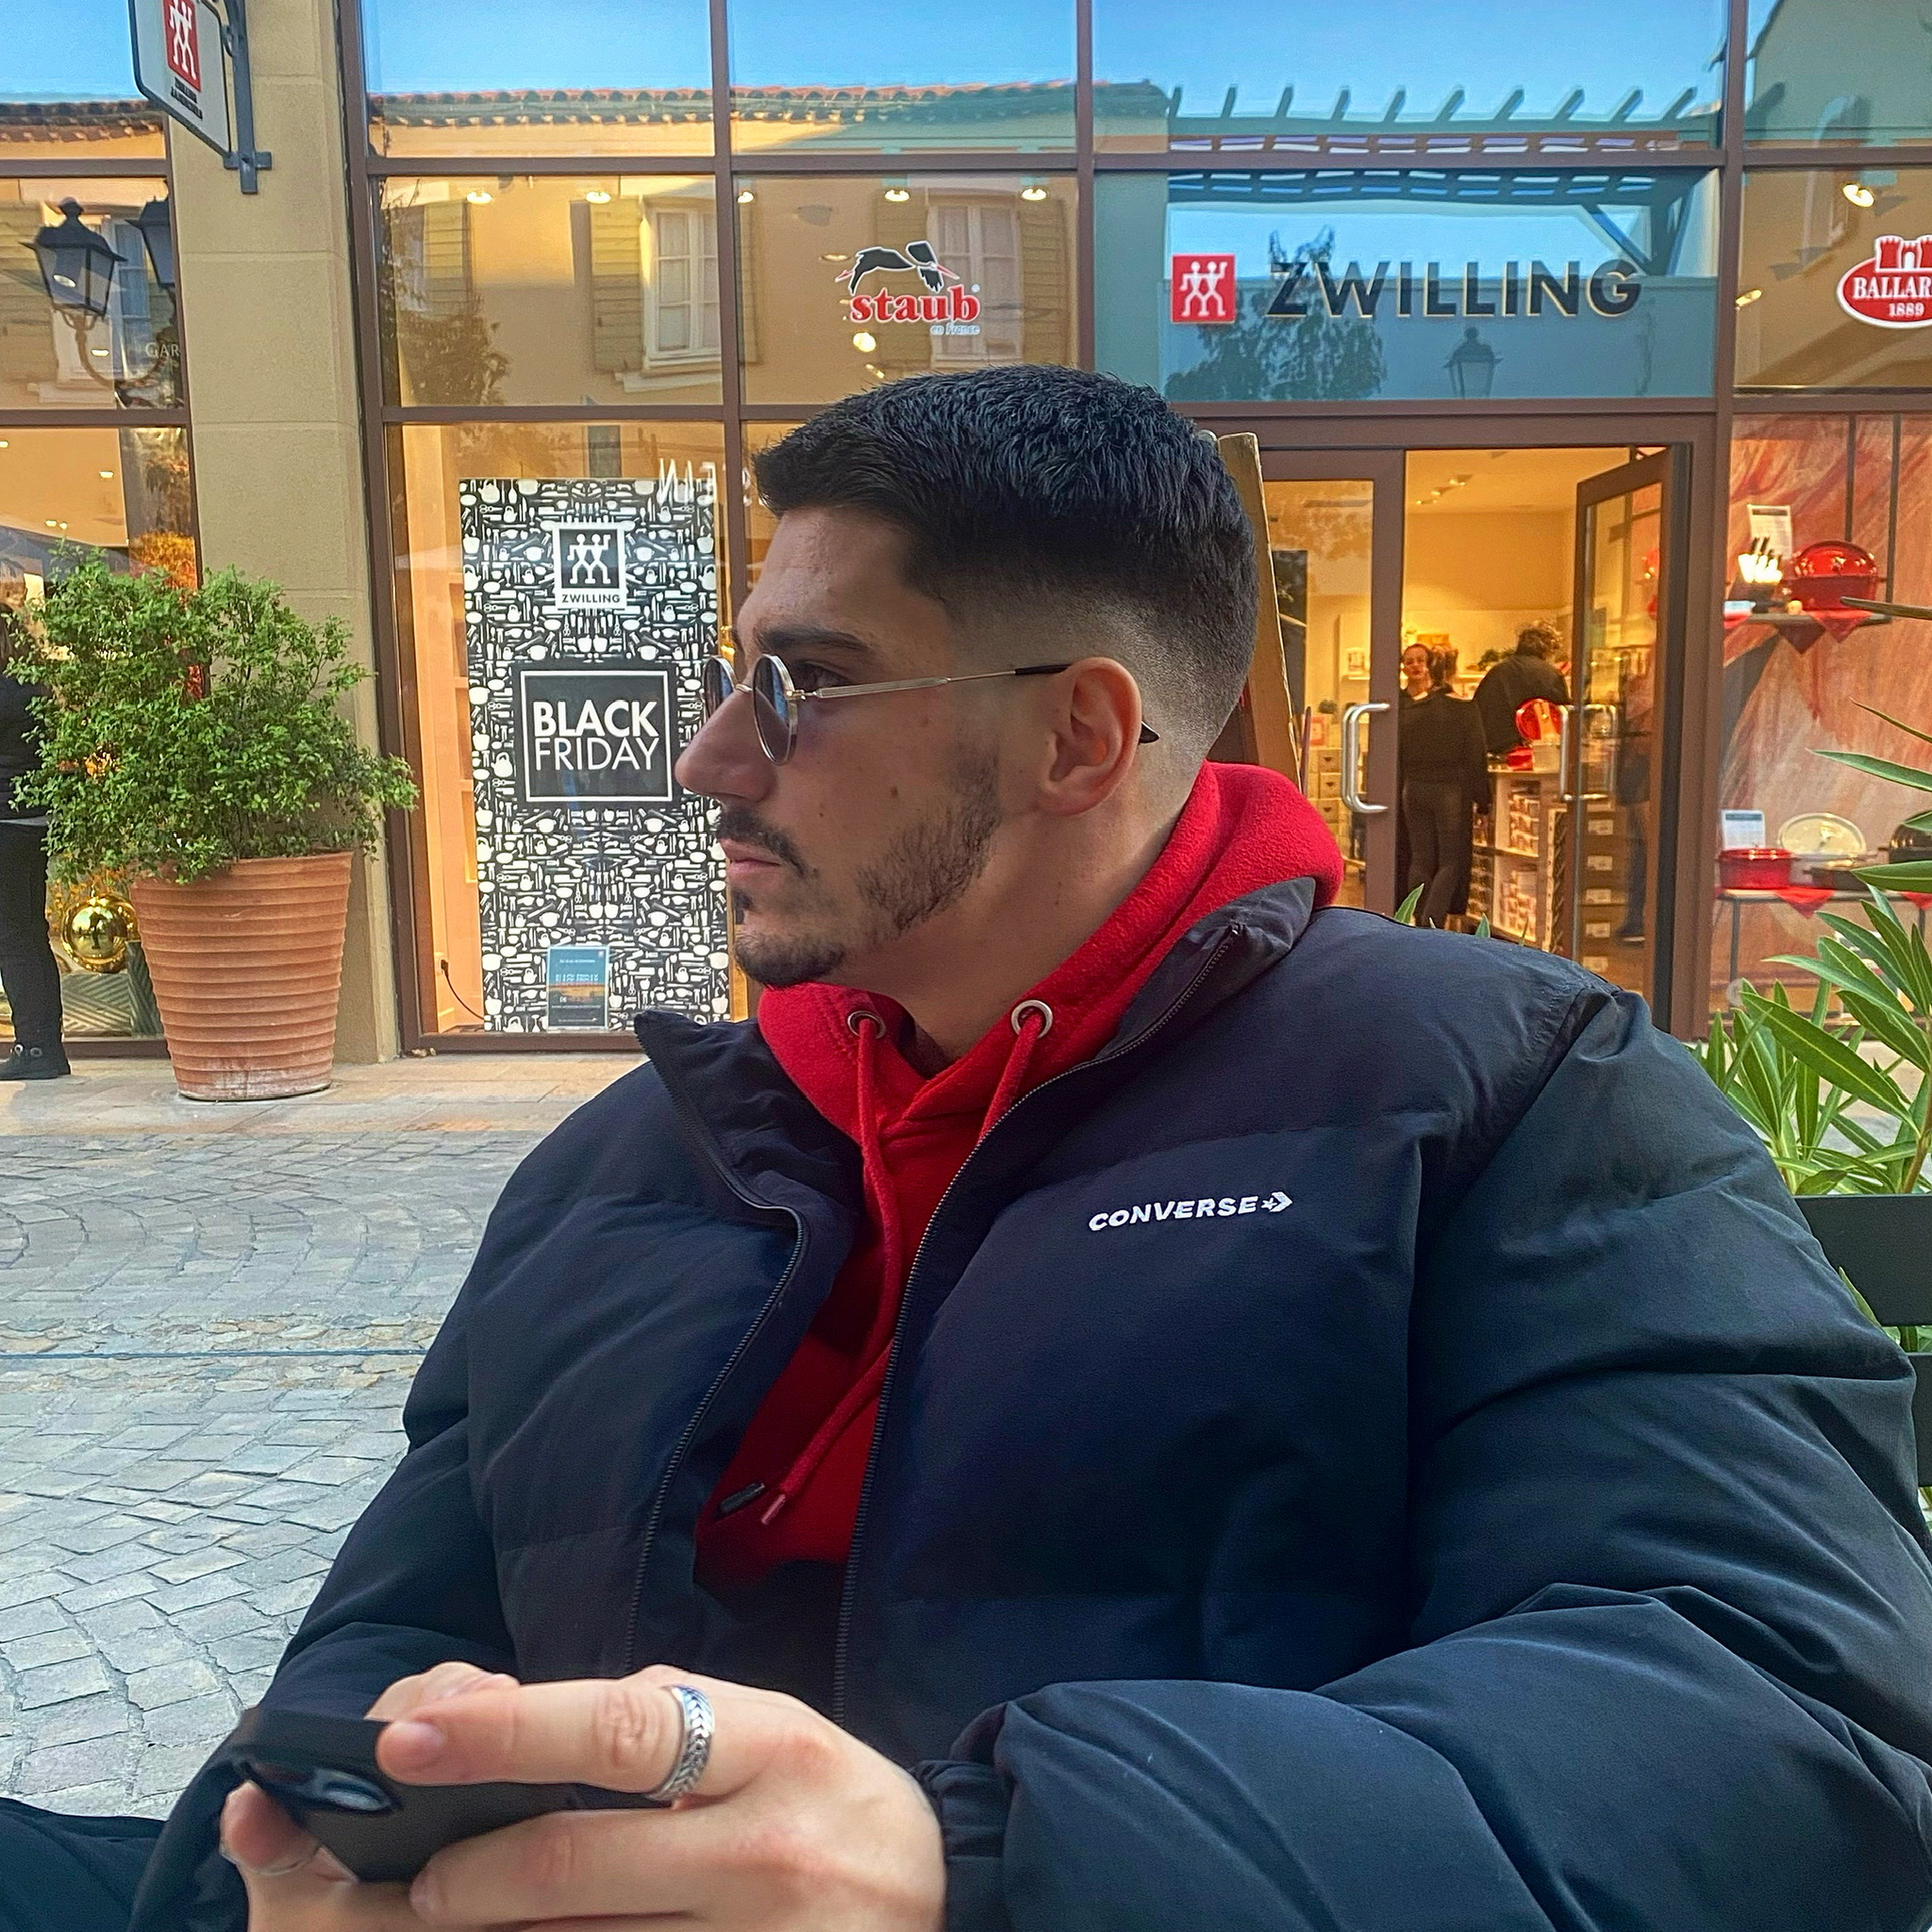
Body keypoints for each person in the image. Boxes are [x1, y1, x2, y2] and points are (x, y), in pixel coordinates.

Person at [8, 367, 1931, 1932]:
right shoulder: (636, 1156)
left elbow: (1783, 1720)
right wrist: (306, 1855)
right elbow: (383, 1650)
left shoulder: (1510, 1092)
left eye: (803, 682)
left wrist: (973, 1872)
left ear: (1076, 738)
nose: (707, 757)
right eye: (734, 672)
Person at [0, 575, 68, 1081]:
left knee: (15, 936)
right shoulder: (33, 684)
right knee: (26, 931)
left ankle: (37, 1048)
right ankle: (43, 1046)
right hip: (31, 819)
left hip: (4, 821)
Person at [1400, 647, 1490, 927]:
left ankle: (1416, 916)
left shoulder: (1410, 710)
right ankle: (1431, 921)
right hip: (1449, 790)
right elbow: (1476, 757)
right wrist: (1483, 801)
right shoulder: (1463, 709)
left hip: (1413, 787)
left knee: (1421, 858)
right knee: (1450, 861)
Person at [1473, 619, 1569, 756]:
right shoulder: (1551, 674)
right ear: (1548, 648)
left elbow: (1478, 711)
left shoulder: (1498, 671)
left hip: (1498, 747)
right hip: (1538, 749)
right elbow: (1561, 714)